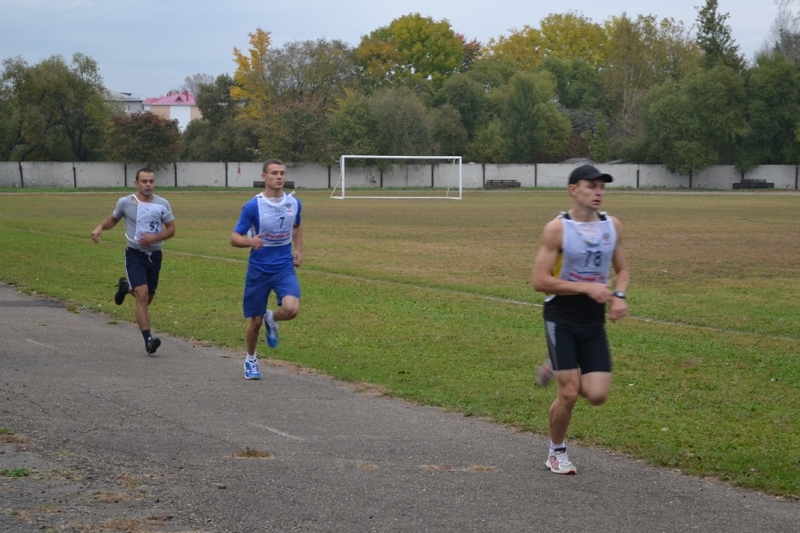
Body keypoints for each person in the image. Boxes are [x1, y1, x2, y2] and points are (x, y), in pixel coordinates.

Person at [531, 164, 630, 475]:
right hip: (560, 316)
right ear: (573, 190)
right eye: (590, 186)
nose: (598, 191)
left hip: (593, 322)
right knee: (570, 392)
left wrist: (619, 295)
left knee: (597, 395)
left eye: (601, 186)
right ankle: (556, 452)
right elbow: (539, 280)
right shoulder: (557, 229)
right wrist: (586, 286)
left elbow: (623, 271)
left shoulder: (612, 226)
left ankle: (557, 362)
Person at [231, 159, 303, 380]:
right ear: (264, 177)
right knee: (255, 321)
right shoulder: (253, 206)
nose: (279, 177)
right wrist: (250, 242)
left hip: (283, 266)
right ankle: (251, 359)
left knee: (291, 309)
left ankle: (273, 319)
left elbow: (297, 225)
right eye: (274, 173)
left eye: (282, 173)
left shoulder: (294, 203)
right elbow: (234, 238)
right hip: (259, 268)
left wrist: (298, 250)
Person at [91, 168, 176, 355]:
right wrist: (100, 227)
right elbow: (113, 220)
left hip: (154, 255)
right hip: (135, 254)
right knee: (142, 295)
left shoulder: (162, 204)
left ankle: (125, 287)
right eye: (144, 181)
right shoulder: (126, 203)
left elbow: (171, 229)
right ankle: (148, 340)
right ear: (136, 183)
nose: (148, 185)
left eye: (151, 181)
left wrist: (154, 239)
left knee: (148, 298)